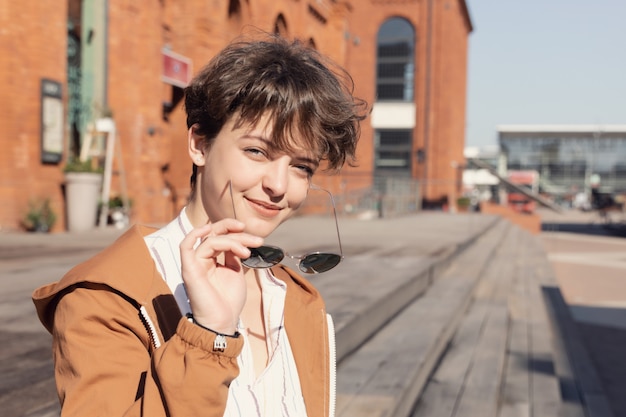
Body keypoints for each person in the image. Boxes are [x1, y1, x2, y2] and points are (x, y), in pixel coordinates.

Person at [32, 35, 367, 417]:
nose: (278, 185)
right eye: (257, 151)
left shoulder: (294, 298)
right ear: (199, 144)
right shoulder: (104, 300)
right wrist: (210, 335)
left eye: (301, 167)